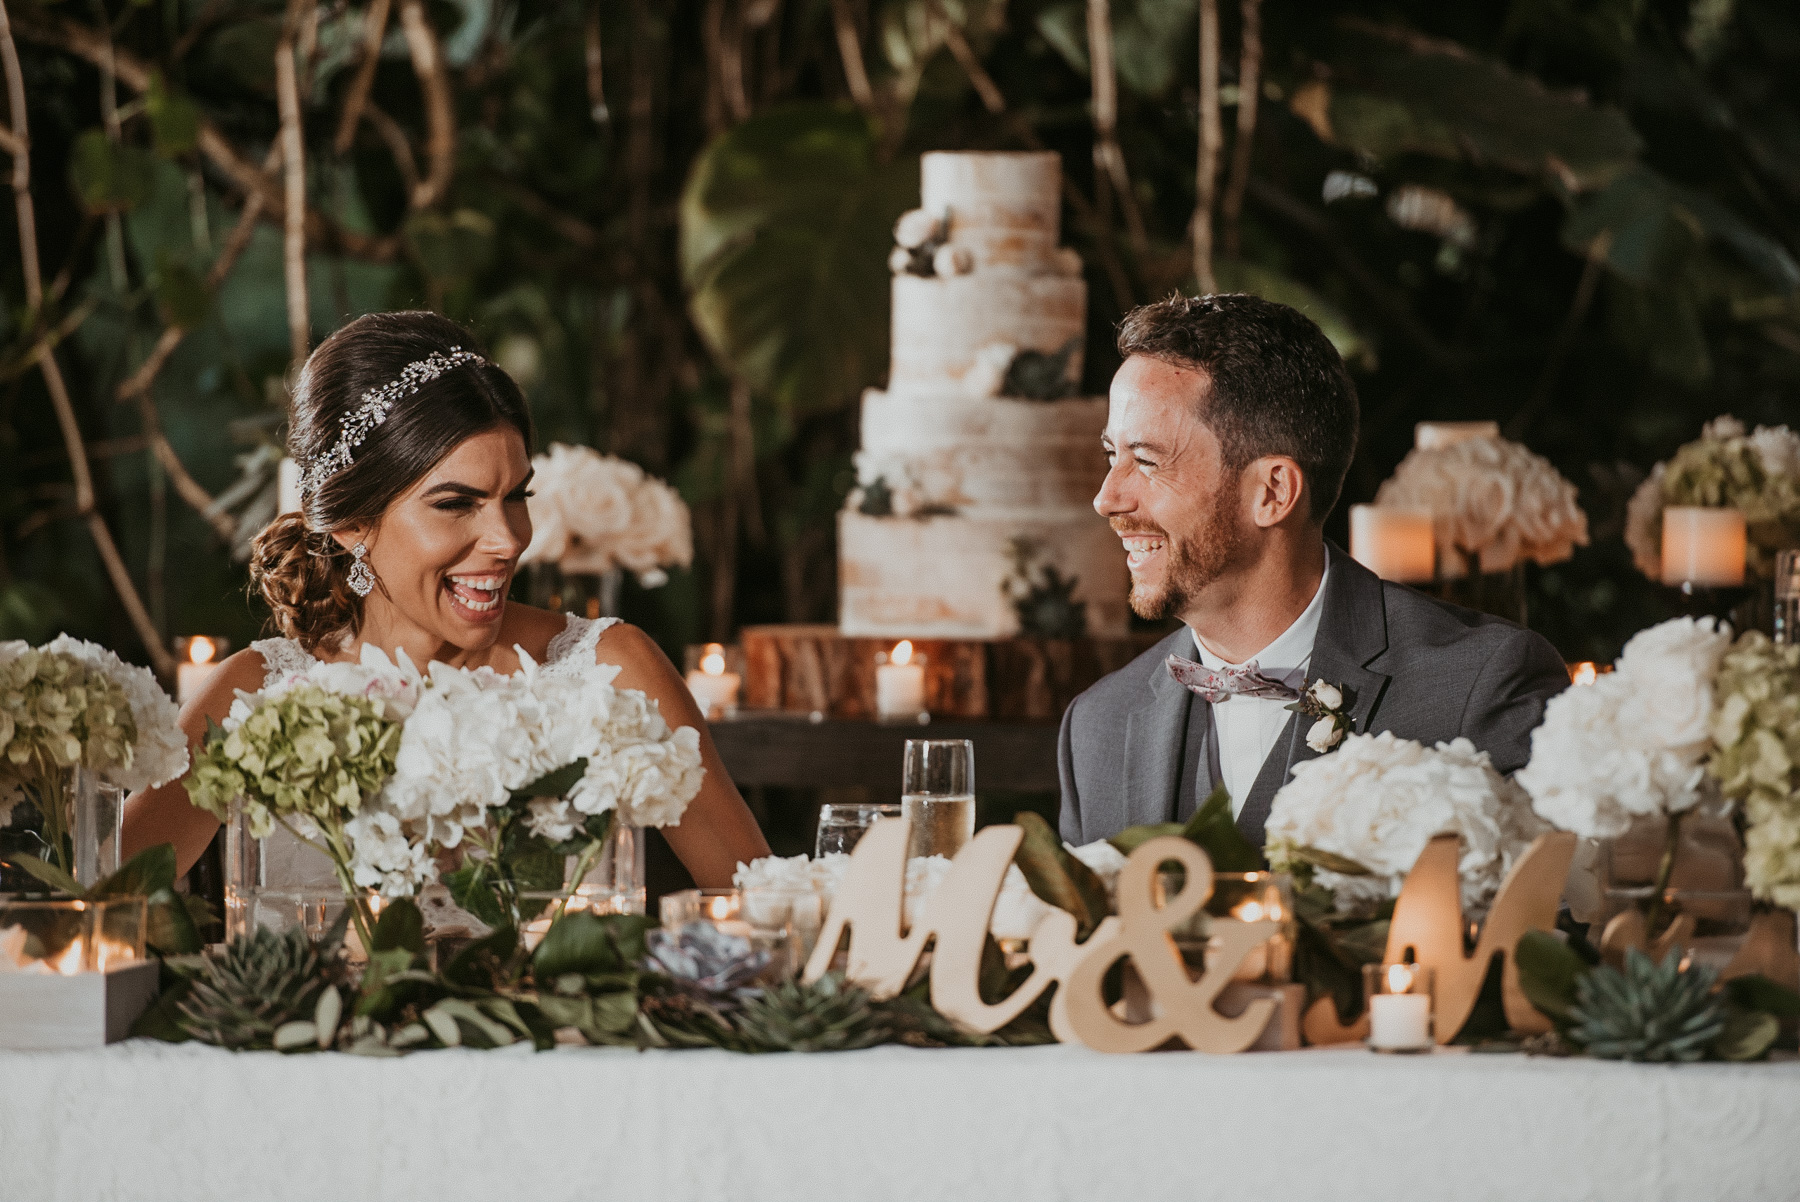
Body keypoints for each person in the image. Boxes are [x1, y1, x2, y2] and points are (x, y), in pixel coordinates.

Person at [122, 310, 770, 885]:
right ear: (351, 526)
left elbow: (766, 909)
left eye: (517, 496)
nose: (509, 538)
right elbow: (92, 919)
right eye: (456, 504)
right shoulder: (250, 700)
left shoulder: (611, 669)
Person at [1058, 293, 1568, 849]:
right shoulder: (1097, 728)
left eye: (1147, 461)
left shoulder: (1480, 687)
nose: (1107, 499)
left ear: (1273, 491)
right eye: (1114, 457)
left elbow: (1534, 924)